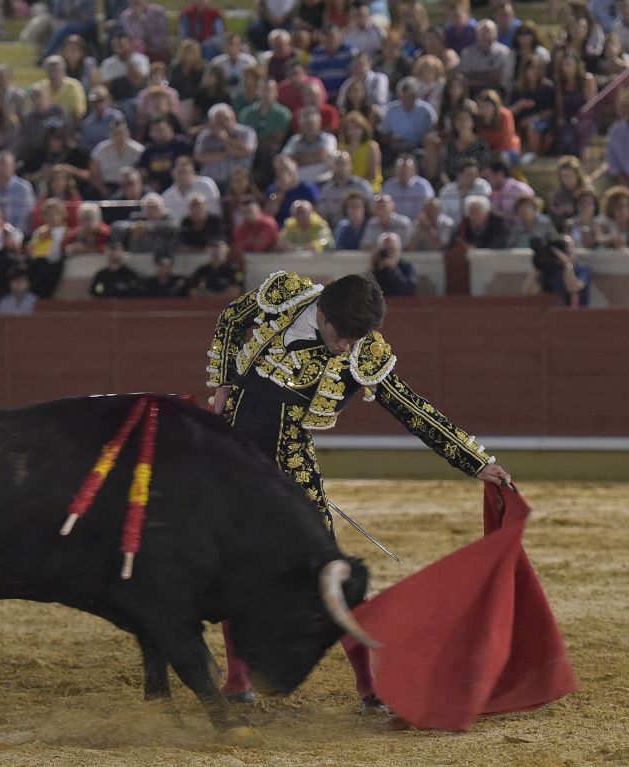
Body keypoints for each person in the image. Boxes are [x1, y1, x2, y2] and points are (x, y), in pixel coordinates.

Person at [206, 270, 512, 710]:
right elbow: (233, 318)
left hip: (290, 461)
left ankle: (370, 686)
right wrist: (220, 383)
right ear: (322, 311)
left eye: (356, 337)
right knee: (231, 562)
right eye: (340, 334)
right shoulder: (286, 296)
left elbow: (411, 408)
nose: (346, 344)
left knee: (329, 571)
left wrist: (476, 461)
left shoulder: (362, 353)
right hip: (230, 452)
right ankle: (237, 680)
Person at [524, 235, 592, 307]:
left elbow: (574, 287)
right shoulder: (549, 270)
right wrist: (539, 266)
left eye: (571, 247)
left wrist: (566, 264)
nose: (569, 250)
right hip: (553, 314)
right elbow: (528, 294)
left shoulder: (582, 269)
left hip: (575, 314)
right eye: (565, 248)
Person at [370, 231, 417, 295]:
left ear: (399, 250)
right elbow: (370, 292)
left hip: (401, 303)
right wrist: (373, 266)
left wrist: (393, 269)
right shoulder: (378, 269)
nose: (389, 254)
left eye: (392, 249)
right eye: (386, 250)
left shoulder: (407, 266)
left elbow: (408, 290)